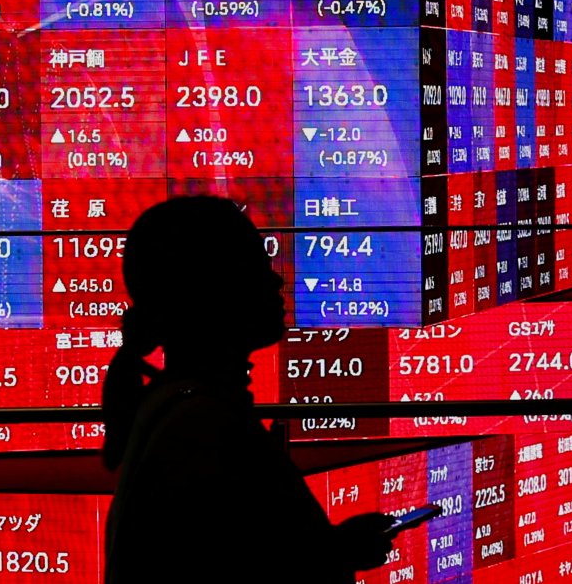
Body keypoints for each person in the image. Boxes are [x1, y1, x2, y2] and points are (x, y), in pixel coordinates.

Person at [102, 195, 399, 584]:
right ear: (210, 292)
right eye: (255, 267)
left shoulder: (182, 408)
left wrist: (332, 548)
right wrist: (334, 553)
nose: (276, 279)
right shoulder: (204, 427)